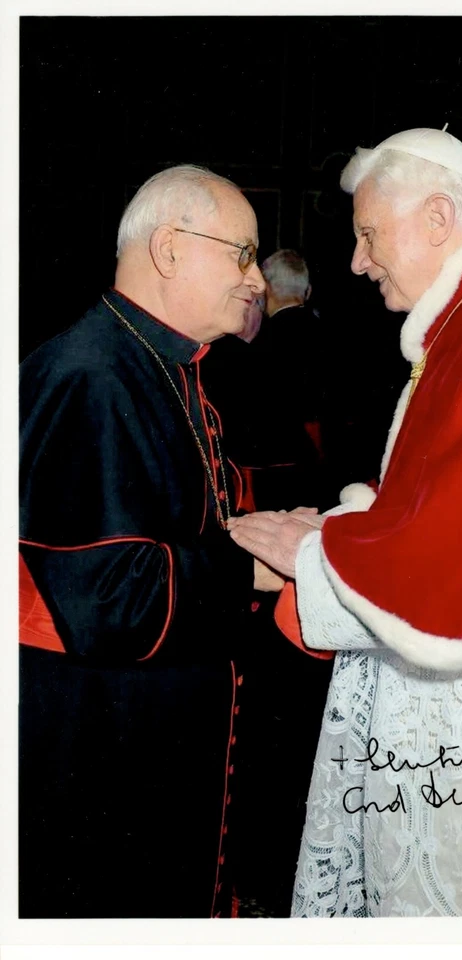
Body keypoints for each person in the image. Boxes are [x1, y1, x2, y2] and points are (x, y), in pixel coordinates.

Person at [228, 128, 462, 917]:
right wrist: (358, 519)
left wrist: (320, 549)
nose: (358, 261)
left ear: (438, 219)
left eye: (369, 235)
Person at [18, 164, 284, 919]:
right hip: (101, 745)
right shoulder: (91, 375)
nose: (257, 282)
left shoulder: (159, 364)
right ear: (170, 248)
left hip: (149, 731)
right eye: (241, 254)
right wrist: (254, 569)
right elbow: (104, 597)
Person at [248, 249, 327, 512]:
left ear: (265, 289)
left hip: (276, 476)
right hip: (328, 475)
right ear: (308, 290)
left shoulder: (259, 345)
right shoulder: (336, 340)